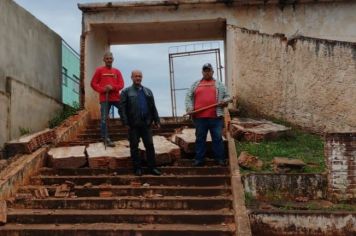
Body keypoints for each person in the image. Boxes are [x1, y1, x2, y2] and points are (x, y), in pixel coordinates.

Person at [185, 63, 230, 166]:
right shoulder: (195, 84)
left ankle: (220, 159)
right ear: (202, 72)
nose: (207, 72)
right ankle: (199, 159)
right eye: (205, 70)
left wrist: (224, 101)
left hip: (215, 118)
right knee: (200, 139)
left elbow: (227, 97)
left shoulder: (219, 84)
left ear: (212, 72)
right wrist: (189, 108)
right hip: (200, 118)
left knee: (217, 139)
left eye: (209, 70)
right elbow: (188, 97)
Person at [119, 70, 161, 176]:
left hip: (146, 124)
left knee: (150, 146)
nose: (138, 78)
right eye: (136, 76)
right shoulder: (126, 92)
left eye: (140, 76)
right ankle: (137, 168)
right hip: (133, 125)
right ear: (132, 77)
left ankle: (152, 168)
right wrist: (125, 122)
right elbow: (122, 109)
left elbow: (153, 107)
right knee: (134, 147)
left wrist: (157, 120)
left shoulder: (148, 91)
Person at [91, 51, 124, 147]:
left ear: (113, 60)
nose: (109, 60)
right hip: (104, 98)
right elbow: (93, 83)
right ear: (104, 60)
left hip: (116, 98)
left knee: (124, 110)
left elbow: (121, 84)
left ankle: (129, 130)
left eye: (110, 58)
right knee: (104, 118)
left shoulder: (117, 71)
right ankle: (105, 138)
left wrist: (112, 87)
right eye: (107, 58)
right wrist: (102, 89)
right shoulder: (99, 70)